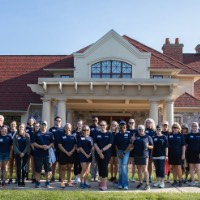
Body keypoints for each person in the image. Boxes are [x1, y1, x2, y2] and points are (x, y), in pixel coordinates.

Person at [33, 120, 54, 188]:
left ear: (46, 126)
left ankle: (47, 183)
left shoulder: (50, 134)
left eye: (45, 125)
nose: (43, 126)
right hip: (38, 154)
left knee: (48, 170)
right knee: (38, 169)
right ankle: (38, 183)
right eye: (42, 125)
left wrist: (48, 146)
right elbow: (34, 143)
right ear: (40, 126)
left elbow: (52, 142)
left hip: (47, 155)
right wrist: (41, 146)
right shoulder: (36, 133)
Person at [132, 124, 153, 190]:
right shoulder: (136, 136)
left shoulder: (148, 137)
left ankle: (147, 184)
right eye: (139, 129)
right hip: (137, 155)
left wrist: (148, 146)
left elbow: (152, 146)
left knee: (145, 169)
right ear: (138, 130)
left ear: (144, 130)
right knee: (139, 169)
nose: (141, 130)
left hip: (144, 155)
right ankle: (140, 182)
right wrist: (133, 140)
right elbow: (132, 145)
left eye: (142, 129)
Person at [94, 120, 113, 190]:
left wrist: (101, 151)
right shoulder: (96, 133)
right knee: (100, 168)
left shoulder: (109, 134)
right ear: (99, 126)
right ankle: (101, 182)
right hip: (98, 153)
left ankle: (104, 184)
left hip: (106, 154)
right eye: (101, 125)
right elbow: (95, 143)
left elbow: (110, 144)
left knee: (104, 168)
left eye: (104, 125)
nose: (102, 126)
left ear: (106, 126)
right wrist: (99, 152)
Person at [115, 121, 132, 190]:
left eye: (124, 126)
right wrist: (119, 153)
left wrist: (124, 153)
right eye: (121, 126)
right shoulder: (117, 135)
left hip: (126, 152)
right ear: (119, 127)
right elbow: (115, 145)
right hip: (119, 152)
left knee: (124, 167)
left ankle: (125, 184)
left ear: (126, 126)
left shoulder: (128, 134)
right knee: (120, 168)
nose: (123, 127)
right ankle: (120, 184)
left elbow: (130, 144)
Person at [58, 123, 76, 188]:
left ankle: (69, 181)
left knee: (70, 168)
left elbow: (75, 145)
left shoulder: (73, 136)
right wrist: (66, 152)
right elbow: (60, 145)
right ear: (64, 128)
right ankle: (62, 182)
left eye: (68, 128)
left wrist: (71, 152)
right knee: (63, 168)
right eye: (66, 128)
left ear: (70, 128)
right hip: (63, 154)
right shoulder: (61, 136)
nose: (67, 129)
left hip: (71, 154)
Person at [168, 122, 186, 187]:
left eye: (176, 127)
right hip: (171, 154)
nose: (175, 128)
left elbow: (183, 145)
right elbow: (167, 145)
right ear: (172, 128)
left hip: (179, 154)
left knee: (178, 167)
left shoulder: (181, 135)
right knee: (173, 168)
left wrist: (183, 154)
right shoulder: (169, 135)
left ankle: (180, 180)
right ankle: (175, 180)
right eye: (174, 127)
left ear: (179, 128)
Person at [49, 116, 64, 182]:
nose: (58, 122)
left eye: (59, 121)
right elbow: (49, 139)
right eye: (57, 120)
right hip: (53, 149)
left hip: (61, 149)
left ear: (61, 122)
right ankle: (53, 176)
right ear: (54, 121)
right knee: (53, 163)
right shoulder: (51, 129)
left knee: (60, 163)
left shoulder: (63, 129)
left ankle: (60, 177)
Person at [186, 122, 200, 186]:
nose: (194, 127)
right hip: (190, 153)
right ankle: (192, 181)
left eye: (196, 126)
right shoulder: (189, 135)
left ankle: (199, 181)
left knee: (198, 168)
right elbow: (186, 144)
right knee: (191, 168)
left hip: (198, 154)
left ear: (198, 127)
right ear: (191, 127)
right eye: (193, 126)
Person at [144, 118, 156, 183]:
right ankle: (145, 176)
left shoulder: (154, 131)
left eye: (150, 122)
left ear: (152, 123)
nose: (149, 123)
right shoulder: (144, 130)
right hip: (144, 150)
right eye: (147, 122)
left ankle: (150, 176)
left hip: (152, 149)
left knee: (150, 163)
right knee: (145, 164)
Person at [127, 118, 138, 182]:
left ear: (134, 123)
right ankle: (127, 177)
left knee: (134, 164)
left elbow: (137, 140)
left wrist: (133, 147)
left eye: (132, 123)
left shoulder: (136, 131)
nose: (131, 124)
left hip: (134, 149)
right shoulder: (126, 130)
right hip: (127, 149)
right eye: (130, 122)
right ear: (128, 123)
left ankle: (133, 177)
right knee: (127, 164)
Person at [89, 116, 99, 182]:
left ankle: (97, 176)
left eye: (96, 120)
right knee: (92, 162)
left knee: (98, 162)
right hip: (92, 147)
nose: (95, 121)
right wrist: (92, 145)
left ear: (98, 121)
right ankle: (92, 176)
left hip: (99, 147)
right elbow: (89, 137)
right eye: (94, 120)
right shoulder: (90, 128)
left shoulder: (99, 127)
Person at [25, 116, 35, 180]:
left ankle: (33, 175)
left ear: (34, 121)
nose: (30, 121)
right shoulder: (25, 128)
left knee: (33, 162)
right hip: (27, 147)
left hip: (33, 147)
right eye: (29, 120)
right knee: (27, 162)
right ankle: (26, 175)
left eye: (32, 120)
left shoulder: (35, 128)